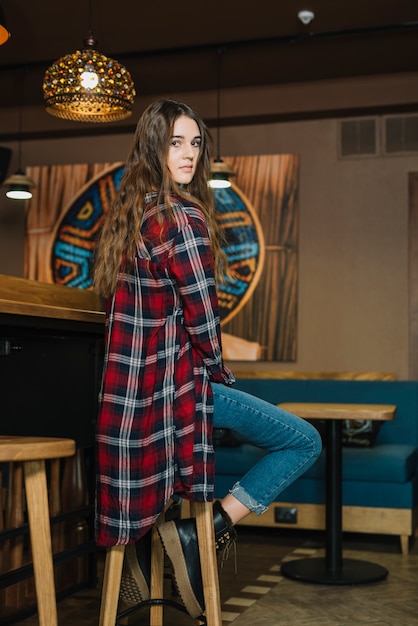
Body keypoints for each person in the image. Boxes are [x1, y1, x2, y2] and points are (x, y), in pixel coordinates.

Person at [93, 98, 322, 619]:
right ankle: (206, 531)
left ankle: (170, 542)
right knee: (304, 441)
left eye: (195, 143)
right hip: (176, 393)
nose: (190, 153)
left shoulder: (130, 218)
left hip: (127, 410)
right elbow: (203, 320)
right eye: (177, 142)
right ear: (154, 146)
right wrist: (220, 374)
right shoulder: (182, 215)